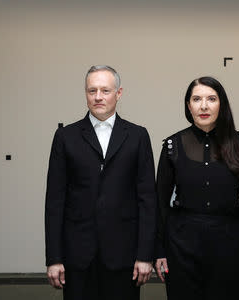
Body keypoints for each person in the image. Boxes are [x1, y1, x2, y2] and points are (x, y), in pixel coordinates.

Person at [45, 65, 157, 300]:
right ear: (85, 93)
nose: (98, 97)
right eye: (91, 90)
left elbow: (147, 200)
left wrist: (145, 254)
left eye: (105, 90)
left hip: (124, 256)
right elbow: (55, 201)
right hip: (78, 257)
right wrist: (54, 258)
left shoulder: (138, 136)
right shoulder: (66, 138)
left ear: (119, 93)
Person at [155, 76, 239, 299]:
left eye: (211, 99)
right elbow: (159, 204)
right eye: (196, 99)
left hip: (229, 245)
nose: (204, 106)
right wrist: (159, 250)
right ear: (188, 105)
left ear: (221, 104)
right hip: (181, 246)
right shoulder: (171, 146)